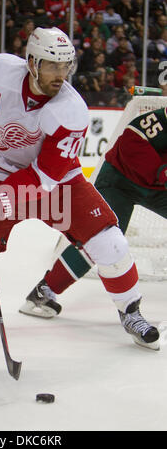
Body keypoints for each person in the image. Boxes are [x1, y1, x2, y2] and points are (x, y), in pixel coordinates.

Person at [0, 27, 159, 362]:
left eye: (66, 66)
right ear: (32, 62)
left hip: (58, 184)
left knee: (111, 243)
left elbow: (43, 177)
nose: (61, 74)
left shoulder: (71, 109)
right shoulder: (0, 69)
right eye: (52, 65)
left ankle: (130, 311)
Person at [20, 106, 167, 350]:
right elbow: (131, 144)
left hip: (157, 188)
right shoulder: (156, 121)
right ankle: (45, 290)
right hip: (120, 181)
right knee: (99, 240)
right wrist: (162, 171)